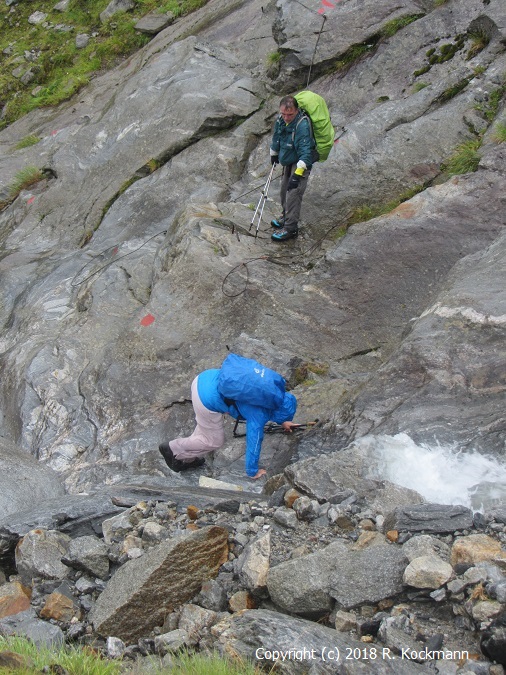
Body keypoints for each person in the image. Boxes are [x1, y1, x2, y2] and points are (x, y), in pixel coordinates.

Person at [159, 368, 298, 479]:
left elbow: (277, 408)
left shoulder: (275, 390)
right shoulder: (258, 414)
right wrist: (252, 471)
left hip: (207, 377)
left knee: (207, 427)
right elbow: (254, 442)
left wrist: (283, 421)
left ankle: (189, 459)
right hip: (206, 397)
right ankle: (172, 449)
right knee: (215, 441)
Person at [269, 95, 317, 242]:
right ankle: (285, 216)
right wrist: (274, 153)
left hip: (300, 162)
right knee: (284, 189)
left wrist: (297, 175)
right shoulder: (280, 120)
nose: (286, 117)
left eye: (290, 114)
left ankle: (290, 228)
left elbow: (306, 152)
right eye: (283, 114)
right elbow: (277, 136)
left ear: (296, 111)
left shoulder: (302, 125)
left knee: (293, 193)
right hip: (289, 158)